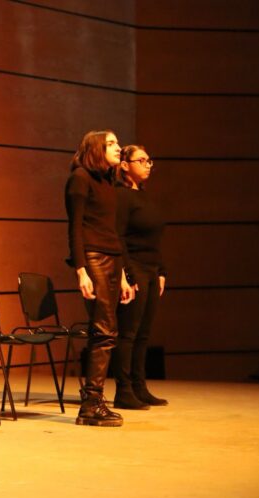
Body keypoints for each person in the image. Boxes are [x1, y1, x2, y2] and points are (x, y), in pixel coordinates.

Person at [65, 130, 135, 427]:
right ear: (96, 148)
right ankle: (91, 404)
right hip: (93, 258)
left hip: (112, 258)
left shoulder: (108, 181)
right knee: (104, 330)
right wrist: (81, 270)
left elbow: (112, 231)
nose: (119, 148)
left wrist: (123, 276)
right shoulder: (80, 178)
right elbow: (75, 228)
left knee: (108, 330)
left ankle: (93, 401)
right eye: (111, 144)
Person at [112, 145, 168, 408]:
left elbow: (154, 239)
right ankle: (124, 390)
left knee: (144, 333)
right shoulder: (122, 196)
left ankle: (139, 386)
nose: (148, 165)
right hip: (134, 267)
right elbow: (118, 237)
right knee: (129, 332)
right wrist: (128, 274)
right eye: (141, 160)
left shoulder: (143, 196)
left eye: (149, 161)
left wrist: (161, 271)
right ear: (125, 165)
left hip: (151, 269)